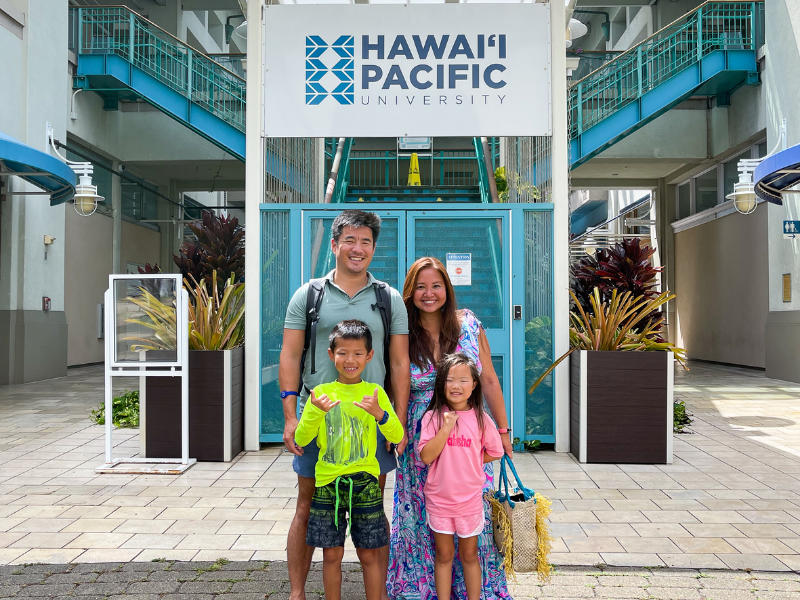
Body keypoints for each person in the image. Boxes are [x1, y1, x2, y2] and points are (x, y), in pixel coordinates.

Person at [279, 209, 410, 600]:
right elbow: (289, 355)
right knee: (308, 504)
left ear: (373, 248)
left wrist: (397, 423)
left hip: (371, 423)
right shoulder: (309, 295)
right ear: (335, 245)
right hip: (318, 419)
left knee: (372, 508)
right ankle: (298, 592)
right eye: (350, 240)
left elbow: (400, 362)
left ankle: (379, 593)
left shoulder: (388, 298)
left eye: (366, 241)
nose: (358, 249)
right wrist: (290, 416)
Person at [387, 256, 513, 600]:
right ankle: (421, 589)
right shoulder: (401, 331)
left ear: (448, 289)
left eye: (436, 285)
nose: (429, 294)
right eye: (420, 287)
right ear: (409, 292)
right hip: (422, 437)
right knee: (420, 514)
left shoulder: (468, 324)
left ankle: (476, 591)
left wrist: (503, 430)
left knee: (474, 517)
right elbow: (393, 381)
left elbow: (487, 378)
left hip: (469, 433)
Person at [295, 320, 404, 600]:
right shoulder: (319, 394)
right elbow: (303, 439)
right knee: (332, 554)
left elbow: (397, 433)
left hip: (366, 483)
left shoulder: (375, 393)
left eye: (358, 353)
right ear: (332, 355)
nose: (350, 360)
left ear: (369, 356)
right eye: (343, 352)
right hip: (328, 484)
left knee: (369, 554)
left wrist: (381, 415)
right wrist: (315, 413)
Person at [419, 353, 504, 600]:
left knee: (469, 555)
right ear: (441, 383)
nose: (456, 386)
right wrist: (446, 428)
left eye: (463, 380)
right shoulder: (432, 418)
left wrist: (472, 460)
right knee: (444, 556)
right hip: (440, 500)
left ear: (474, 384)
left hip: (469, 501)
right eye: (450, 380)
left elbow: (495, 451)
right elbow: (426, 456)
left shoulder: (481, 419)